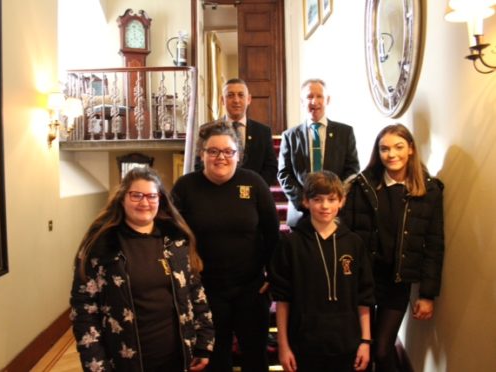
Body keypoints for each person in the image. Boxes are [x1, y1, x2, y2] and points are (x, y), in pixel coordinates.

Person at [69, 167, 214, 372]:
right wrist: (95, 364)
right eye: (136, 195)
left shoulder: (176, 242)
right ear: (122, 199)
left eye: (151, 196)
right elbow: (84, 310)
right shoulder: (101, 247)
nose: (144, 202)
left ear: (160, 200)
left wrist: (204, 343)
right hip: (124, 360)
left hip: (177, 357)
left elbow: (195, 293)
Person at [172, 122, 280, 372]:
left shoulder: (254, 183)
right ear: (202, 154)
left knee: (255, 357)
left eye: (228, 151)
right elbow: (174, 238)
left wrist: (272, 274)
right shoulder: (185, 187)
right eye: (213, 151)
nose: (221, 157)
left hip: (251, 290)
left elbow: (272, 233)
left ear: (238, 155)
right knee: (216, 359)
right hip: (205, 292)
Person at [341, 124, 445, 372]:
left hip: (397, 282)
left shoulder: (429, 190)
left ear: (410, 149)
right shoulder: (361, 186)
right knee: (360, 347)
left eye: (398, 147)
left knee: (383, 349)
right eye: (384, 148)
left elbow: (434, 243)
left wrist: (427, 294)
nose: (391, 154)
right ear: (378, 152)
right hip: (362, 279)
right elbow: (346, 235)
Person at [271, 170, 374, 372]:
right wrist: (283, 346)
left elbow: (365, 297)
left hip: (347, 343)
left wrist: (365, 341)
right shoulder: (291, 244)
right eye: (317, 199)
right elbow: (283, 300)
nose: (325, 206)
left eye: (331, 199)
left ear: (341, 201)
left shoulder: (354, 243)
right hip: (304, 344)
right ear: (306, 202)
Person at [278, 78, 360, 227]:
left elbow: (352, 169)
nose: (314, 102)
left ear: (327, 100)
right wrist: (303, 200)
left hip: (335, 214)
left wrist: (333, 199)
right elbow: (284, 174)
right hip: (301, 213)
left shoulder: (345, 133)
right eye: (309, 97)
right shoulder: (289, 136)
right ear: (302, 101)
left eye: (319, 96)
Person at [196, 78, 278, 185]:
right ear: (222, 100)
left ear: (249, 99)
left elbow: (271, 168)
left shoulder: (263, 132)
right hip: (215, 192)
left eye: (241, 95)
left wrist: (254, 188)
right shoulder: (207, 130)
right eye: (230, 95)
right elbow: (198, 165)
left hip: (252, 195)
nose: (236, 100)